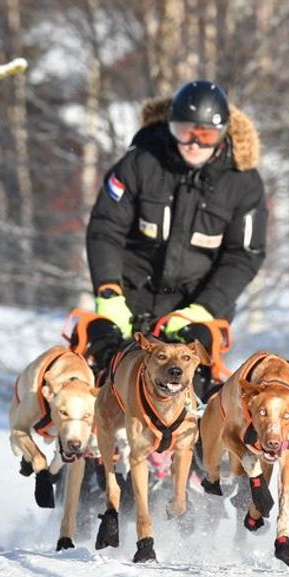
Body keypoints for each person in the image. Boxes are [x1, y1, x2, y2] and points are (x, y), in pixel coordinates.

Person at [85, 80, 268, 402]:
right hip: (132, 297)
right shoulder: (139, 163)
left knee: (190, 379)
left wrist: (204, 309)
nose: (194, 143)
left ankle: (194, 444)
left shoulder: (244, 182)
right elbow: (105, 228)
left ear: (223, 134)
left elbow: (245, 254)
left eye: (205, 135)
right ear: (171, 127)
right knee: (109, 366)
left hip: (197, 303)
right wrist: (109, 293)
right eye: (185, 131)